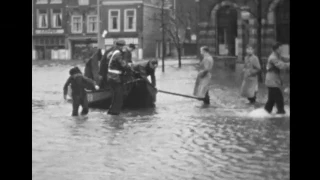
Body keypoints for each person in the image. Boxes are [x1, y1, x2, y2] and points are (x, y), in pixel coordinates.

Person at [264, 42, 290, 114]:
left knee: (271, 100)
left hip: (273, 81)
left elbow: (285, 59)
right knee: (279, 99)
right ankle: (281, 113)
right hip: (272, 81)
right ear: (276, 49)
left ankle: (266, 112)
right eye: (280, 49)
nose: (281, 50)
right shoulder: (273, 58)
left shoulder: (277, 55)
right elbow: (281, 66)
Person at [106, 40, 131, 115]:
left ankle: (112, 112)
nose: (124, 48)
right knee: (119, 97)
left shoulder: (113, 53)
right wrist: (129, 66)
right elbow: (122, 64)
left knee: (115, 96)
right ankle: (115, 114)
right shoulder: (118, 54)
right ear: (120, 46)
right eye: (123, 46)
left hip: (111, 78)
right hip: (115, 78)